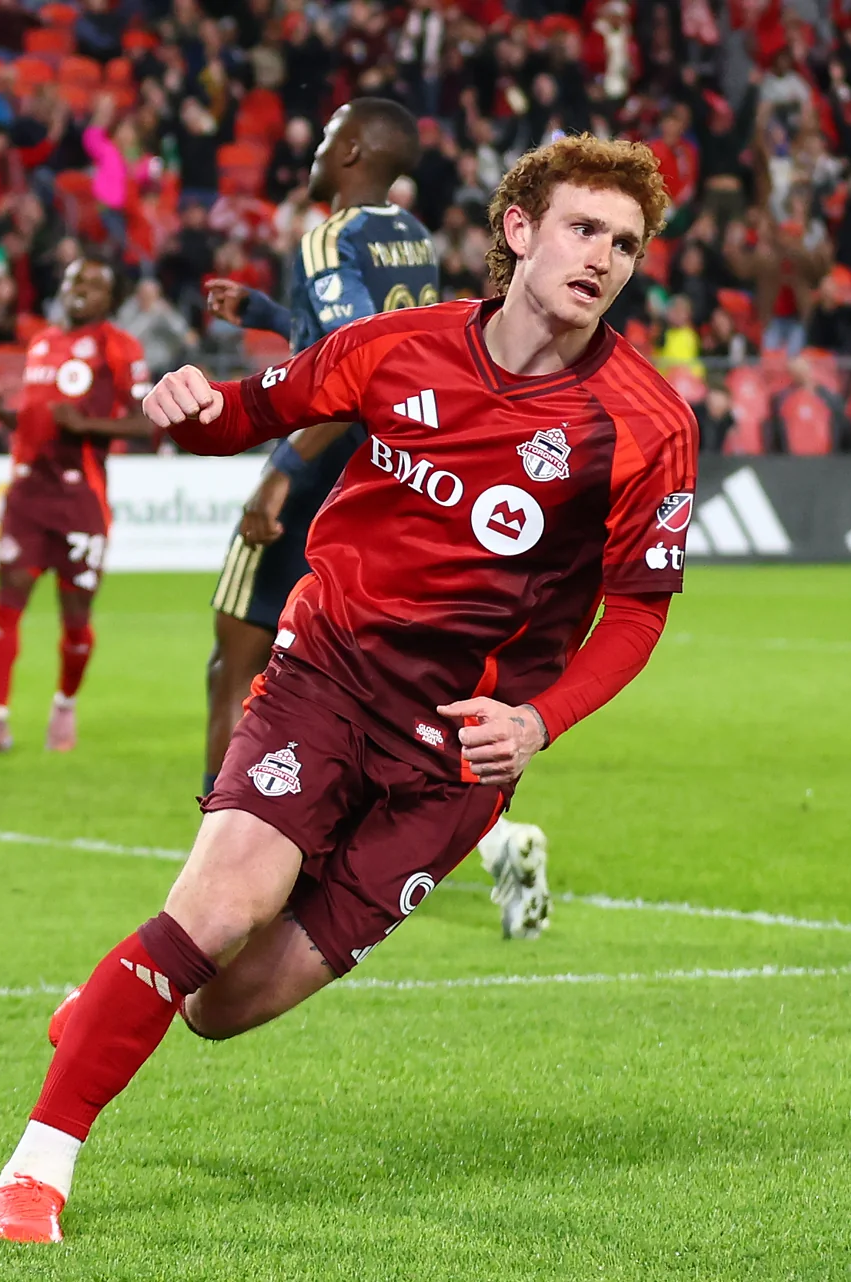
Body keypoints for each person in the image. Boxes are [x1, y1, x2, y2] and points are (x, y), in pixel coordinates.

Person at [0, 134, 694, 1245]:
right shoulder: (397, 349)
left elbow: (639, 611)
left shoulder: (647, 425)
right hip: (326, 679)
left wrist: (537, 720)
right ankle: (33, 1173)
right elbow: (241, 414)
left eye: (625, 244)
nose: (601, 258)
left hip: (456, 757)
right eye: (582, 229)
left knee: (218, 1005)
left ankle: (113, 1005)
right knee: (216, 911)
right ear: (519, 231)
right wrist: (188, 405)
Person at [201, 99, 554, 941]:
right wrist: (264, 313)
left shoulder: (329, 235)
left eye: (326, 134)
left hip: (324, 470)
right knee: (389, 685)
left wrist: (278, 478)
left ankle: (219, 850)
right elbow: (375, 341)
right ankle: (499, 844)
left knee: (234, 654)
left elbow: (355, 369)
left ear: (352, 150)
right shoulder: (411, 236)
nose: (316, 145)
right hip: (398, 472)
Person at [0, 259, 153, 756]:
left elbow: (146, 423)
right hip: (27, 494)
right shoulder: (42, 342)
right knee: (7, 600)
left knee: (76, 616)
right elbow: (35, 417)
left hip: (80, 499)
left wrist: (86, 427)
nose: (79, 289)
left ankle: (64, 707)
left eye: (93, 283)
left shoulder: (119, 347)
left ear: (110, 298)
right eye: (73, 280)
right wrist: (3, 415)